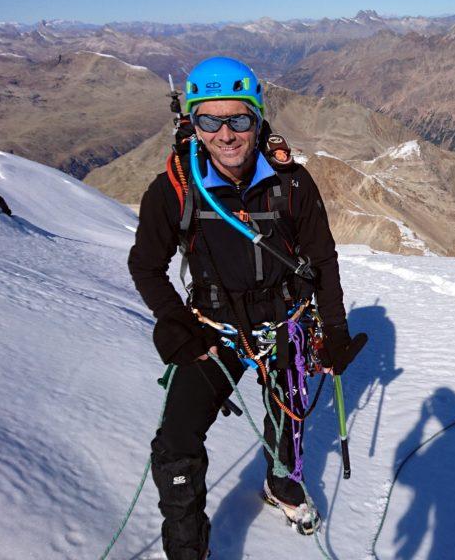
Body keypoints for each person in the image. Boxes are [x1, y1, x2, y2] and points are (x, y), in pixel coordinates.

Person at [128, 56, 362, 559]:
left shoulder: (292, 183)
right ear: (192, 122)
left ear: (258, 118)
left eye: (239, 118)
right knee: (176, 443)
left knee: (288, 418)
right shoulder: (175, 189)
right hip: (214, 330)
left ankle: (282, 485)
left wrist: (335, 331)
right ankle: (188, 549)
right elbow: (146, 266)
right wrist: (175, 323)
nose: (226, 134)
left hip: (284, 325)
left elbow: (322, 259)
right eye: (210, 120)